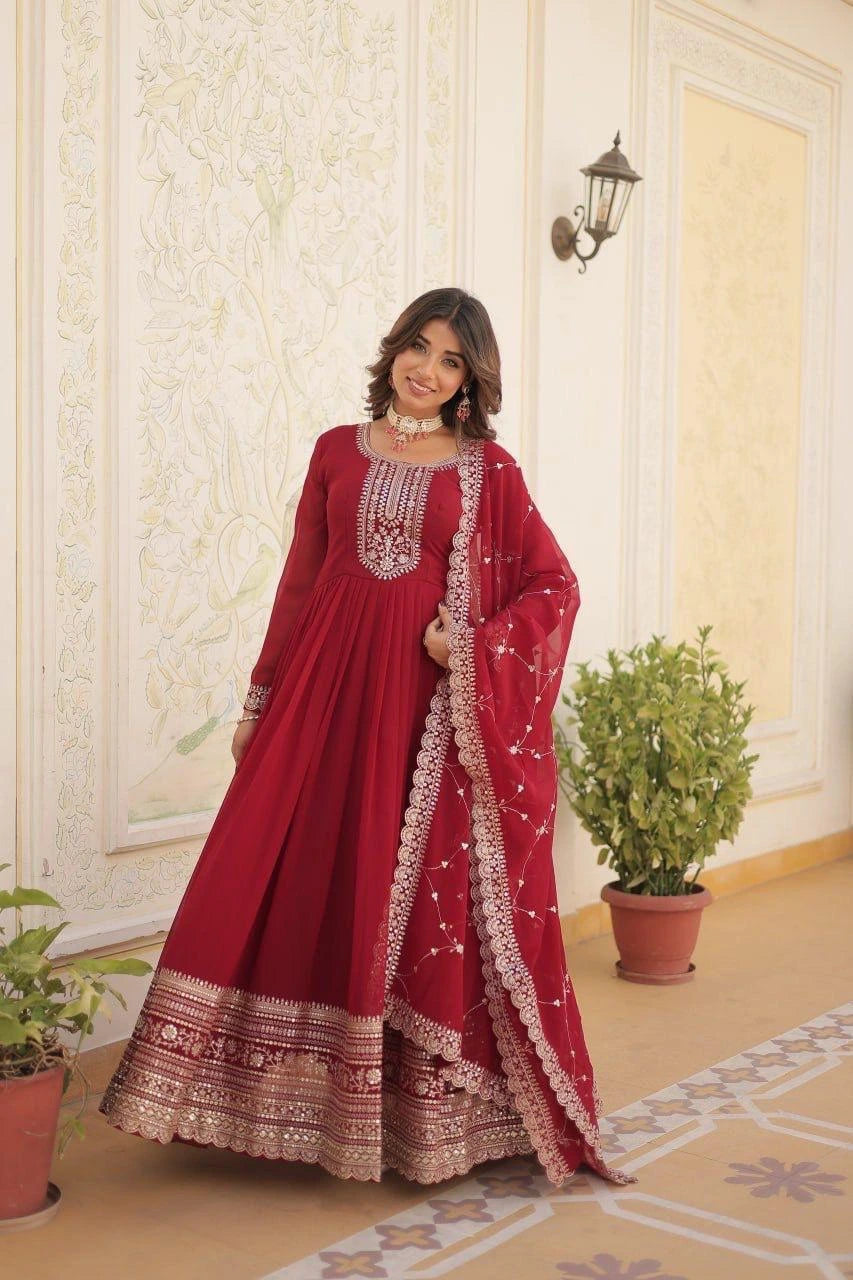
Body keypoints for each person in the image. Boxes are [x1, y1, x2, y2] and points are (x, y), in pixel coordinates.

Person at [98, 286, 635, 1189]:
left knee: (395, 888)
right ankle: (270, 1104)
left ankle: (411, 1117)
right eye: (416, 348)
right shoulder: (332, 452)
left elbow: (553, 587)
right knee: (290, 866)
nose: (425, 370)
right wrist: (259, 700)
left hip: (423, 713)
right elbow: (300, 583)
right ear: (393, 352)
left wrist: (465, 645)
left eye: (450, 359)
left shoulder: (488, 474)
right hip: (321, 690)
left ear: (471, 380)